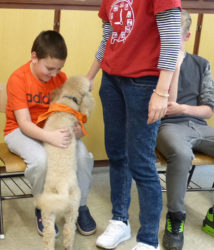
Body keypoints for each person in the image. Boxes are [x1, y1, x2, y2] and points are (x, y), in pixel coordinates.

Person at [86, 1, 182, 249]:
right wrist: (89, 76)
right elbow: (108, 38)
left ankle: (148, 239)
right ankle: (120, 220)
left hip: (143, 82)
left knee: (141, 162)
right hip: (111, 80)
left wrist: (161, 92)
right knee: (117, 155)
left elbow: (172, 39)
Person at [4, 30, 96, 237]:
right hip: (19, 131)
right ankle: (42, 205)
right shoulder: (18, 78)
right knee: (41, 161)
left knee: (82, 157)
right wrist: (50, 138)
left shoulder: (61, 78)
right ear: (34, 57)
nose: (55, 74)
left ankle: (80, 206)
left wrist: (77, 130)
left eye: (59, 69)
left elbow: (72, 112)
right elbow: (25, 123)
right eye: (49, 68)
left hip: (53, 129)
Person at [156, 10, 214, 250]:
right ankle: (175, 220)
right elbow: (169, 107)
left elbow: (208, 109)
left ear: (187, 36)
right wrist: (175, 65)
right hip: (169, 127)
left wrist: (185, 109)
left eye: (175, 38)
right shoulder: (156, 62)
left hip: (199, 125)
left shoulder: (202, 64)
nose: (168, 43)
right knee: (181, 155)